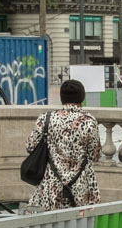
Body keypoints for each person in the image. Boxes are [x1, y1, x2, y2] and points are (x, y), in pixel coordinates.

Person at [24, 79, 101, 213]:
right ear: (82, 98)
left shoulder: (46, 119)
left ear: (61, 98)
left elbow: (30, 146)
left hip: (51, 184)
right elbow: (95, 156)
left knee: (51, 225)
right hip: (81, 184)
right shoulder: (89, 121)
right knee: (82, 225)